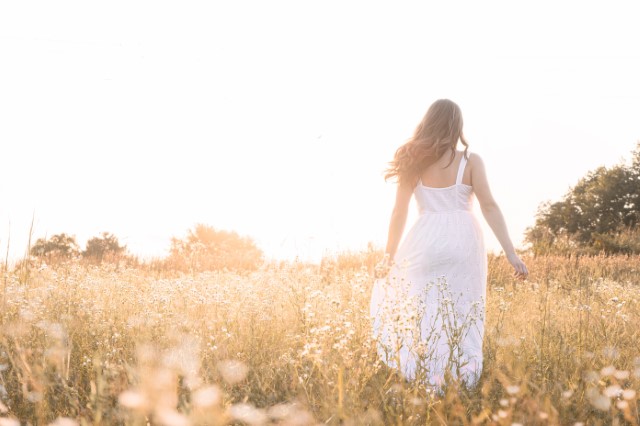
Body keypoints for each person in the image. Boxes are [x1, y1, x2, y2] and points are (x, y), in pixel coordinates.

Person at [369, 99, 528, 392]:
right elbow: (489, 205)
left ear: (427, 122)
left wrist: (388, 256)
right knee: (464, 309)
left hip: (425, 238)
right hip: (463, 241)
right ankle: (460, 380)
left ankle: (422, 374)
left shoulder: (413, 161)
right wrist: (510, 252)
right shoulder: (470, 161)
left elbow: (399, 212)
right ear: (457, 125)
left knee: (422, 308)